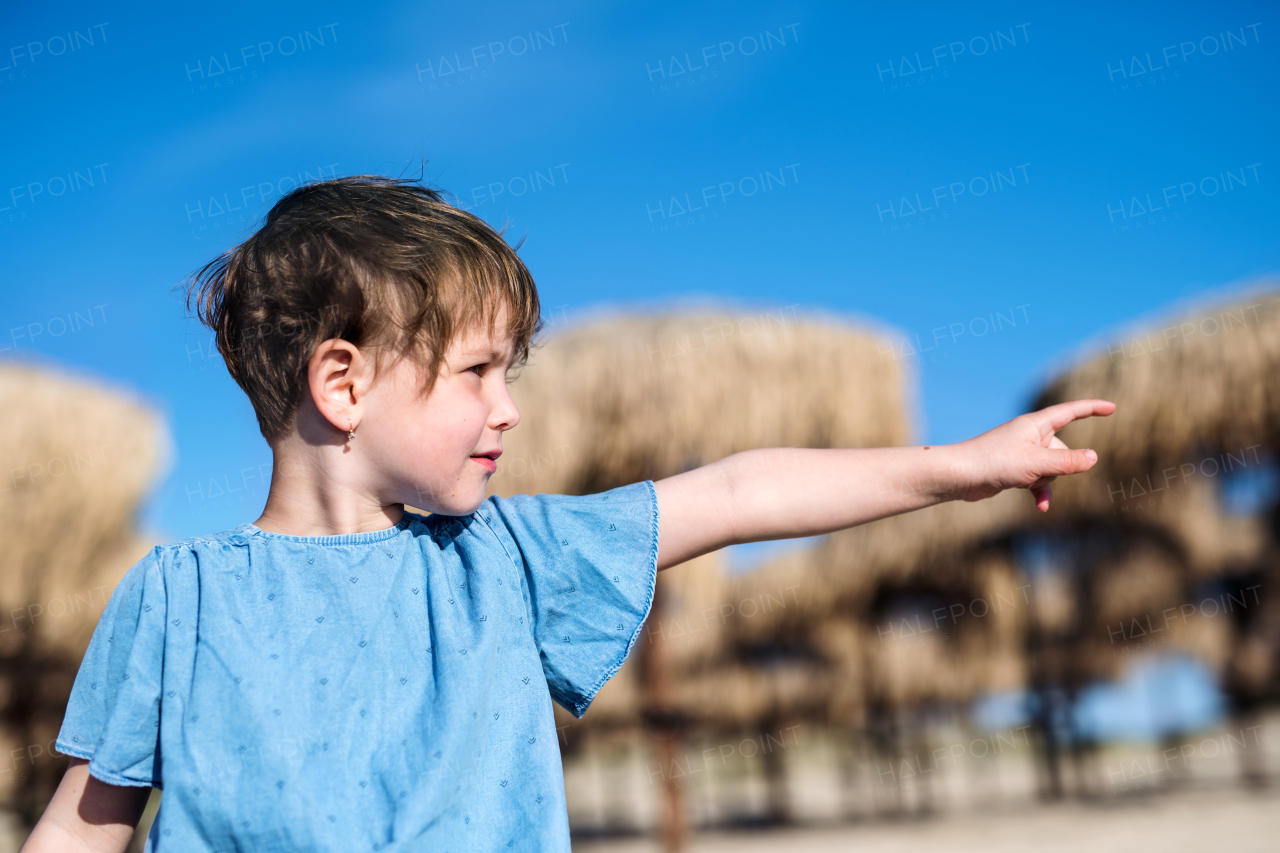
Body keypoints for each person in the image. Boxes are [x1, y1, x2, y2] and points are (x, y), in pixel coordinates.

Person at [22, 176, 1113, 852]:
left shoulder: (509, 557)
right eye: (478, 371)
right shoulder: (180, 595)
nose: (508, 409)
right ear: (343, 384)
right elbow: (85, 822)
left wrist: (955, 466)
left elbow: (736, 491)